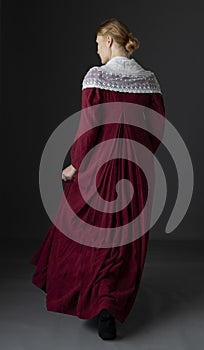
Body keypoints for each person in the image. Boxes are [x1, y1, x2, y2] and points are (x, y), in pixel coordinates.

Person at [30, 18, 165, 340]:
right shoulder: (148, 79)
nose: (96, 50)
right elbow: (158, 128)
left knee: (92, 232)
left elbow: (89, 127)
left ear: (107, 40)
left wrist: (75, 166)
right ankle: (110, 305)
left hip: (100, 166)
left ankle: (97, 299)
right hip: (136, 167)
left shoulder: (97, 76)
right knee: (123, 237)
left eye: (96, 44)